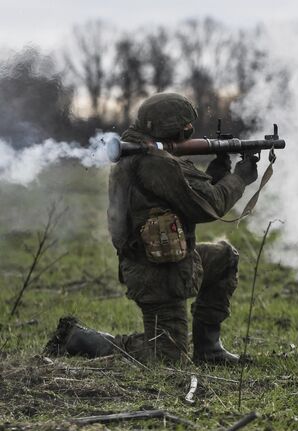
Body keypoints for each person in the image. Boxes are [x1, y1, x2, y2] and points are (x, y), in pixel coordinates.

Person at [44, 93, 259, 364]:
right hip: (156, 276)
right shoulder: (153, 161)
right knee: (167, 357)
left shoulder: (142, 150)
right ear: (168, 128)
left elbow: (187, 194)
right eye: (184, 128)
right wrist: (241, 178)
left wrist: (220, 167)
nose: (188, 132)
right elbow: (209, 204)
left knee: (224, 257)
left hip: (173, 262)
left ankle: (209, 350)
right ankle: (78, 338)